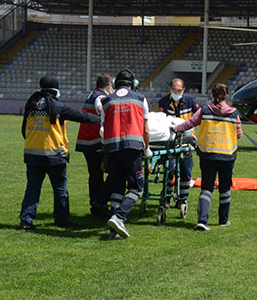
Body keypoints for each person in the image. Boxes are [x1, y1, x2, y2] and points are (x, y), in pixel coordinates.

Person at [19, 76, 100, 231]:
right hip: (54, 155)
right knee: (60, 189)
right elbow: (82, 117)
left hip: (32, 155)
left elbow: (24, 130)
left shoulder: (31, 104)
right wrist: (103, 118)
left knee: (32, 189)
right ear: (55, 90)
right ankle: (61, 219)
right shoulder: (57, 106)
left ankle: (26, 221)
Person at [174, 83, 242, 231]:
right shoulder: (234, 113)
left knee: (206, 188)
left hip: (208, 154)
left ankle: (202, 221)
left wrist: (175, 128)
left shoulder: (204, 110)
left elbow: (190, 123)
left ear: (212, 95)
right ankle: (223, 220)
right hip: (227, 155)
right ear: (227, 95)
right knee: (225, 189)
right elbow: (239, 134)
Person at [102, 69, 151, 239]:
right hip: (132, 148)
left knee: (117, 188)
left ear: (116, 84)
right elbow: (145, 128)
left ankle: (113, 231)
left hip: (111, 148)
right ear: (133, 84)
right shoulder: (139, 99)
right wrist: (147, 147)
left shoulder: (106, 100)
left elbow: (103, 127)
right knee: (136, 187)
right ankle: (119, 216)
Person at [157, 78, 199, 214]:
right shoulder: (163, 102)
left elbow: (199, 114)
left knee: (186, 171)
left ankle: (182, 199)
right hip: (170, 141)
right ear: (170, 89)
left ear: (183, 90)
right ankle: (167, 197)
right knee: (170, 169)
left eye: (179, 90)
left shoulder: (189, 101)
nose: (177, 92)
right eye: (174, 90)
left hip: (186, 140)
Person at [75, 73, 113, 218]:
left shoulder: (93, 93)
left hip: (86, 141)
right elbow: (99, 108)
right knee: (110, 173)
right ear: (109, 86)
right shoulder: (101, 97)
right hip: (95, 141)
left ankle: (96, 206)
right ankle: (100, 203)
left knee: (95, 176)